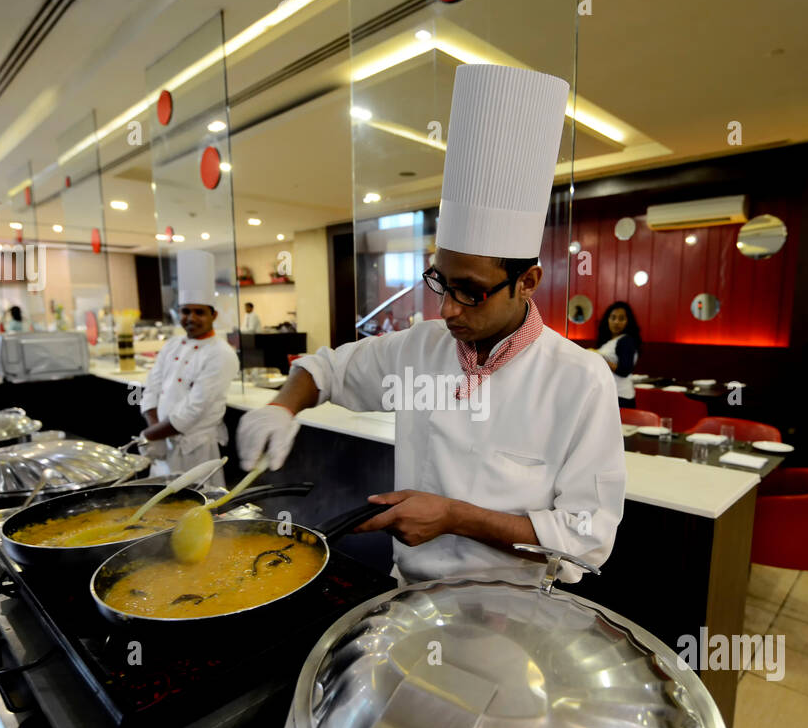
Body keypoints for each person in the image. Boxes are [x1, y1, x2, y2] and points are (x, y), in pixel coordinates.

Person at [237, 63, 626, 586]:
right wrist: (282, 407)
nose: (447, 310)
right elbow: (326, 369)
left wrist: (456, 517)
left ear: (528, 281)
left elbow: (588, 541)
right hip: (411, 598)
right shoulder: (419, 350)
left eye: (471, 291)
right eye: (441, 282)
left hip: (518, 614)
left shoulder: (579, 379)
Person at [139, 250, 240, 476]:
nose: (191, 318)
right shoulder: (171, 345)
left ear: (213, 315)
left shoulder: (222, 354)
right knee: (158, 506)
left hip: (195, 451)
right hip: (162, 444)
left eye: (199, 312)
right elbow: (152, 389)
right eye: (186, 311)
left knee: (198, 505)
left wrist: (151, 435)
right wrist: (154, 432)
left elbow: (194, 409)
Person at [595, 301, 641, 408]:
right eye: (613, 317)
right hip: (611, 393)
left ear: (627, 321)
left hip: (620, 395)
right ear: (607, 319)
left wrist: (598, 359)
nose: (616, 322)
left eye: (621, 319)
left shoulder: (626, 341)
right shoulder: (609, 341)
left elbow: (624, 370)